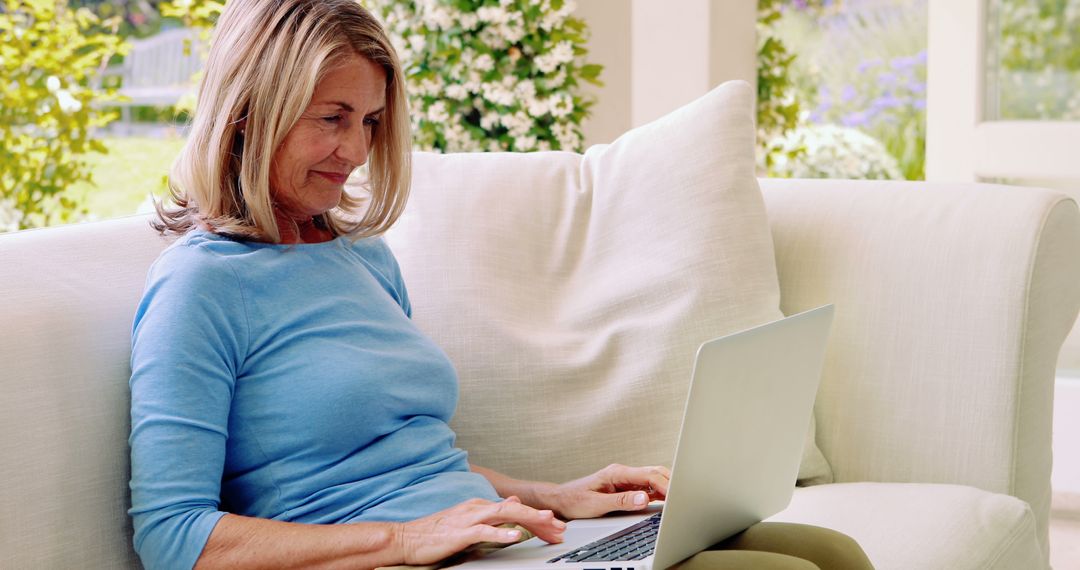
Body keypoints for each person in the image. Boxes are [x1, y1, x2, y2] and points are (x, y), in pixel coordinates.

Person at [128, 1, 874, 569]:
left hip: (487, 544)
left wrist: (554, 495)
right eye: (333, 118)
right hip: (397, 561)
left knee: (825, 552)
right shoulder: (199, 289)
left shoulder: (362, 261)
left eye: (371, 121)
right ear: (250, 113)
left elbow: (412, 457)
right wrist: (407, 539)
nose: (355, 150)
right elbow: (174, 534)